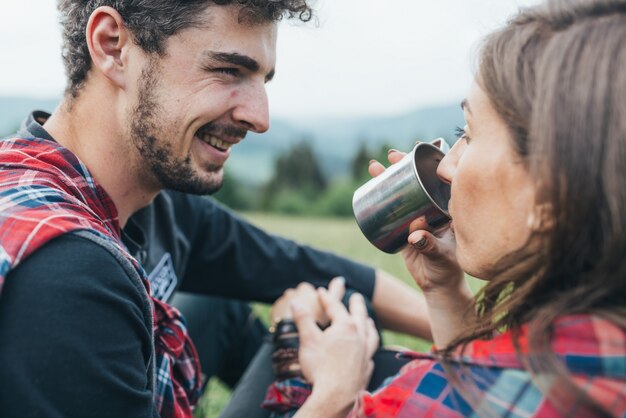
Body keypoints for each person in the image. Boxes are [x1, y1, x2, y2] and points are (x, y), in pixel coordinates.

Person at [0, 1, 435, 417]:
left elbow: (296, 265)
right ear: (113, 45)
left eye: (262, 80)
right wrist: (329, 398)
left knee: (325, 305)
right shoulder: (66, 275)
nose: (260, 117)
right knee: (331, 338)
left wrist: (480, 338)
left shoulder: (151, 199)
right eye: (228, 69)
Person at [260, 0, 626, 416]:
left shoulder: (417, 401)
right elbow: (486, 392)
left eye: (466, 135)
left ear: (548, 197)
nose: (447, 165)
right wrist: (446, 293)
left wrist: (327, 389)